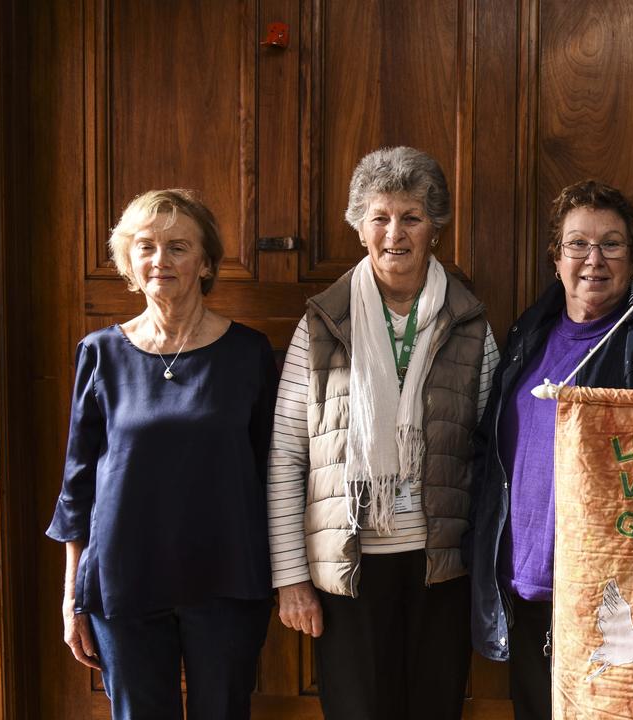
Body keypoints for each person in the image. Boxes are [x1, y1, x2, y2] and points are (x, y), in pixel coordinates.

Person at [265, 146, 499, 718]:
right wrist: (291, 577)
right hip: (349, 570)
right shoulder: (320, 324)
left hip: (439, 568)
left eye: (412, 217)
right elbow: (287, 455)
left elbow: (491, 456)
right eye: (380, 216)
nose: (395, 233)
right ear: (360, 227)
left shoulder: (470, 324)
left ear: (434, 228)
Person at [47, 189, 278, 718]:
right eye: (146, 246)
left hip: (227, 580)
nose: (160, 260)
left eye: (178, 247)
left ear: (206, 262)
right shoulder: (100, 354)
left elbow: (273, 474)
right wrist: (71, 595)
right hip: (123, 581)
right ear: (129, 262)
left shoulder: (248, 353)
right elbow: (76, 488)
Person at [468, 180, 633, 719]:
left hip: (608, 589)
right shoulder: (529, 332)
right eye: (578, 244)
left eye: (612, 244)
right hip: (524, 583)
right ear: (556, 256)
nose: (594, 259)